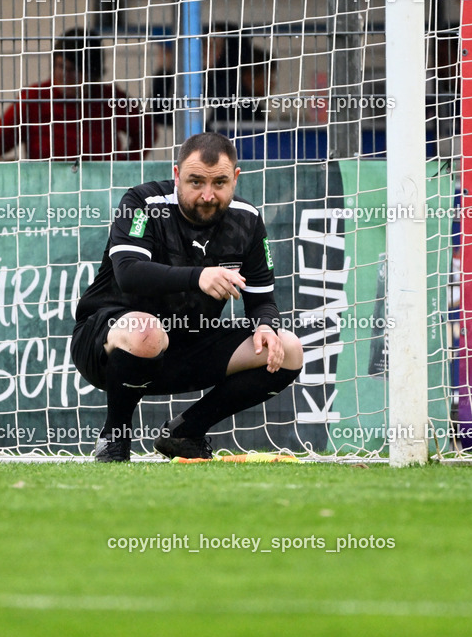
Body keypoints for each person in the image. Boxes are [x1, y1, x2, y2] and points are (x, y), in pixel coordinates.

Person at [71, 132, 303, 462]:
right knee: (146, 331)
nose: (207, 195)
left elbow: (262, 300)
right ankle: (114, 438)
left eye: (220, 183)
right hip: (108, 345)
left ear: (235, 178)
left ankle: (185, 432)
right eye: (195, 182)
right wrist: (199, 277)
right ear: (177, 174)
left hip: (187, 346)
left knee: (288, 348)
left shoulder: (247, 220)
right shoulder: (143, 203)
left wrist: (266, 326)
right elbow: (129, 273)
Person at [0, 28, 153, 161]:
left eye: (72, 70)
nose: (63, 75)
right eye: (59, 66)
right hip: (45, 190)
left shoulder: (110, 99)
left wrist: (124, 166)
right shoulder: (35, 98)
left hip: (100, 189)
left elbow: (147, 132)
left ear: (92, 72)